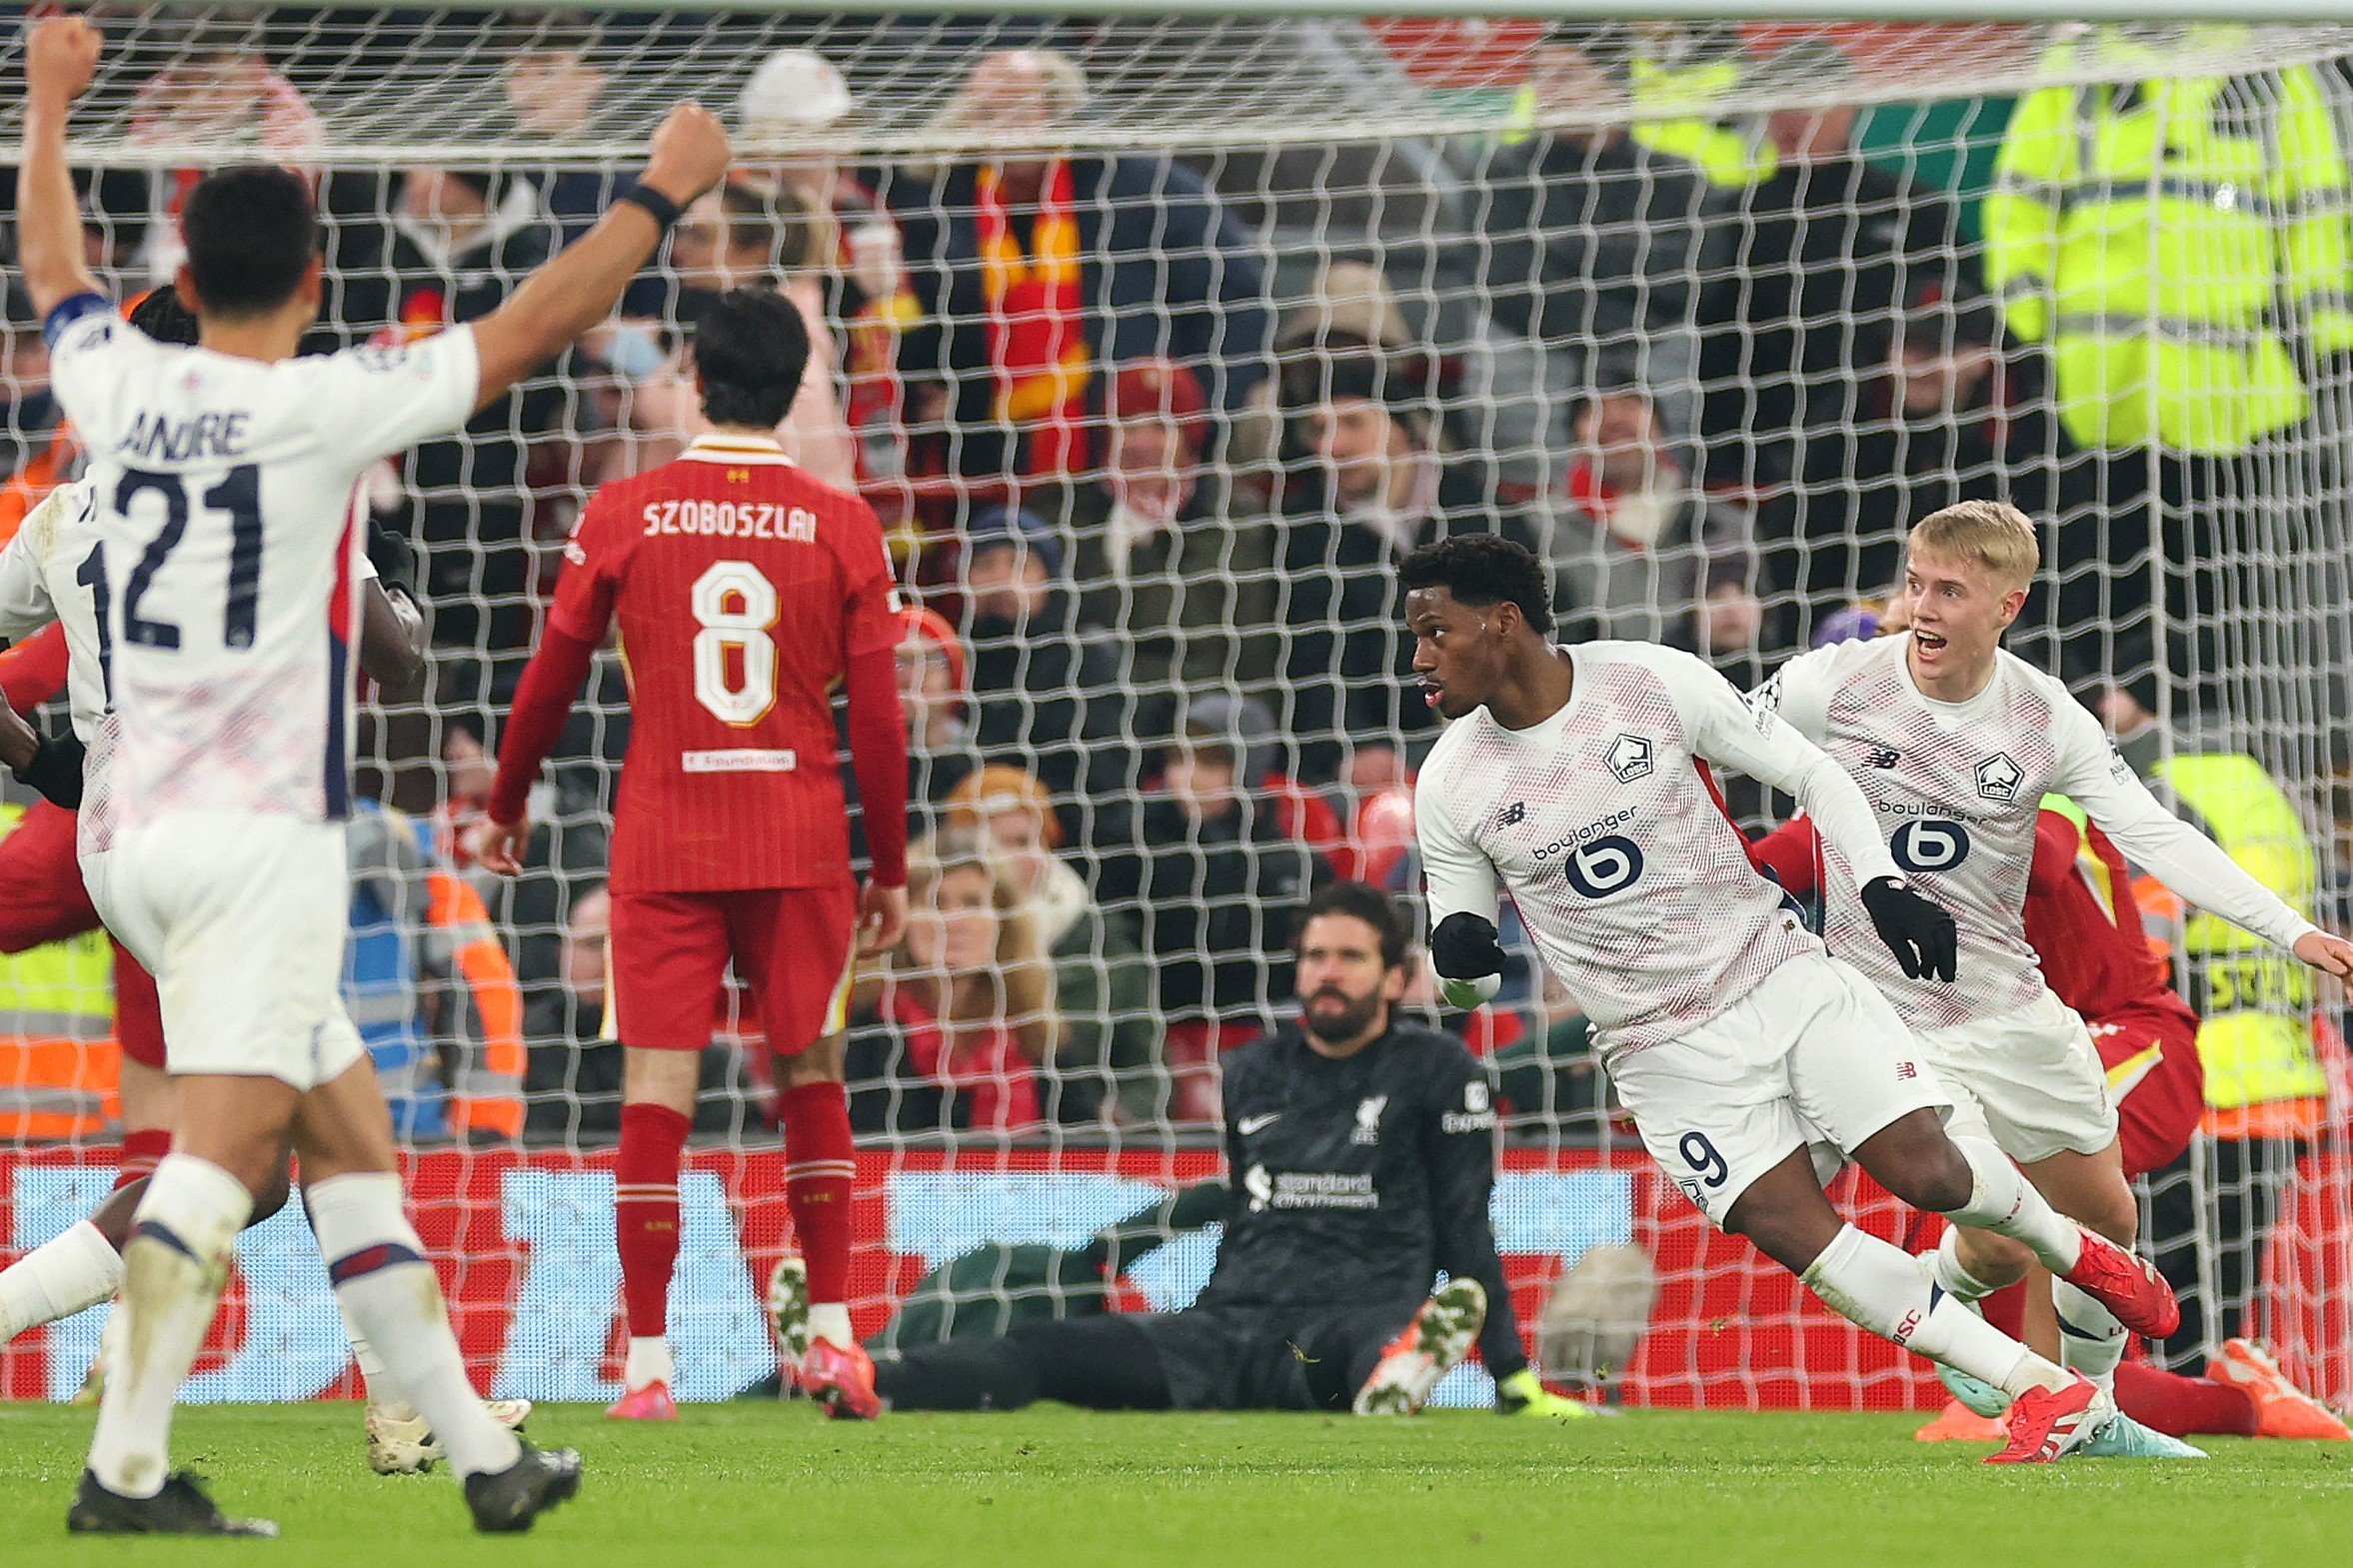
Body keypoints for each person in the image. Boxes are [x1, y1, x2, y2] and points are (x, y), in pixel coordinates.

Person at [17, 14, 728, 1533]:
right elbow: (539, 317)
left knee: (346, 1149)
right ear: (320, 282)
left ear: (184, 285)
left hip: (121, 825)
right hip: (246, 837)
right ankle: (123, 1471)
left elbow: (58, 271)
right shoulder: (325, 409)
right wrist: (661, 192)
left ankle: (477, 1455)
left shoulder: (112, 403)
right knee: (225, 1164)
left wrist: (55, 106)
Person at [1405, 532, 2179, 1466]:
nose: (1418, 659)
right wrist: (1459, 958)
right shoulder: (1450, 781)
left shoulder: (1652, 682)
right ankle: (2038, 1387)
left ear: (1503, 622)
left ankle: (2074, 1247)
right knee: (1805, 1238)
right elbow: (1468, 975)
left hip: (1778, 972)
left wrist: (1885, 883)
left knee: (1932, 1174)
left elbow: (1815, 772)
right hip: (1659, 1050)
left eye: (1433, 633)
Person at [0, 284, 524, 1480]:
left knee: (277, 1162)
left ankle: (406, 1413)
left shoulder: (68, 514)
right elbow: (393, 661)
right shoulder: (272, 489)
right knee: (268, 1153)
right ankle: (412, 1419)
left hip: (118, 838)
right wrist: (363, 546)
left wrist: (47, 762)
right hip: (225, 830)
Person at [1749, 501, 2353, 1454]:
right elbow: (1709, 747)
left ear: (2007, 603)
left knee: (2101, 1216)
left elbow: (2146, 832)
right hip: (1885, 1013)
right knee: (1994, 1206)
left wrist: (2290, 929)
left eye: (1950, 590)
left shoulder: (2041, 718)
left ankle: (2089, 1398)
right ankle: (2055, 1391)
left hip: (2019, 1007)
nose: (1924, 608)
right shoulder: (1833, 686)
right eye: (1916, 585)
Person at [472, 286, 911, 1427]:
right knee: (810, 1076)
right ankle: (834, 1342)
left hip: (664, 832)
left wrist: (509, 803)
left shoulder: (623, 511)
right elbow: (878, 719)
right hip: (801, 832)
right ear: (799, 387)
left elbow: (548, 677)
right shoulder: (842, 520)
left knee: (655, 1096)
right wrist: (894, 866)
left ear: (696, 383)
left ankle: (650, 1367)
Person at [868, 881, 1585, 1420]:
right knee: (1037, 1350)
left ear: (1397, 976)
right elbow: (1238, 1197)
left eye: (1349, 957)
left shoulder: (1436, 1070)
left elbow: (1466, 1227)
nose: (1326, 972)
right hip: (1224, 1326)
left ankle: (1397, 1373)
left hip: (1353, 1315)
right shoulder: (1253, 1071)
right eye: (1314, 956)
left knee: (1370, 1352)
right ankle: (871, 1381)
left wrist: (1511, 1373)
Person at [884, 48, 1273, 482]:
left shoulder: (1145, 190)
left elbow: (1236, 304)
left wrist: (1198, 417)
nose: (1002, 127)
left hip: (1138, 456)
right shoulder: (943, 203)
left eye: (1016, 110)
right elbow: (937, 329)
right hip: (992, 460)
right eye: (986, 111)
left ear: (1058, 110)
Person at [945, 764, 1157, 1123]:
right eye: (994, 843)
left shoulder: (1111, 952)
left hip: (1077, 1146)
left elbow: (1148, 1074)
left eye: (1026, 841)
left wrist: (1117, 1116)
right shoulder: (928, 947)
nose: (1014, 858)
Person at [843, 827, 1056, 1138]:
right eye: (936, 903)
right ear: (902, 919)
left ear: (1004, 922)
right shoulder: (862, 1031)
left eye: (972, 902)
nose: (953, 922)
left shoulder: (1038, 1035)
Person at [1539, 374, 1762, 657]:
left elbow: (1771, 636)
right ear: (1574, 437)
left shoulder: (1726, 525)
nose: (1616, 419)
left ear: (1662, 428)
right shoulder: (1541, 532)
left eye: (1633, 402)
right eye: (1595, 409)